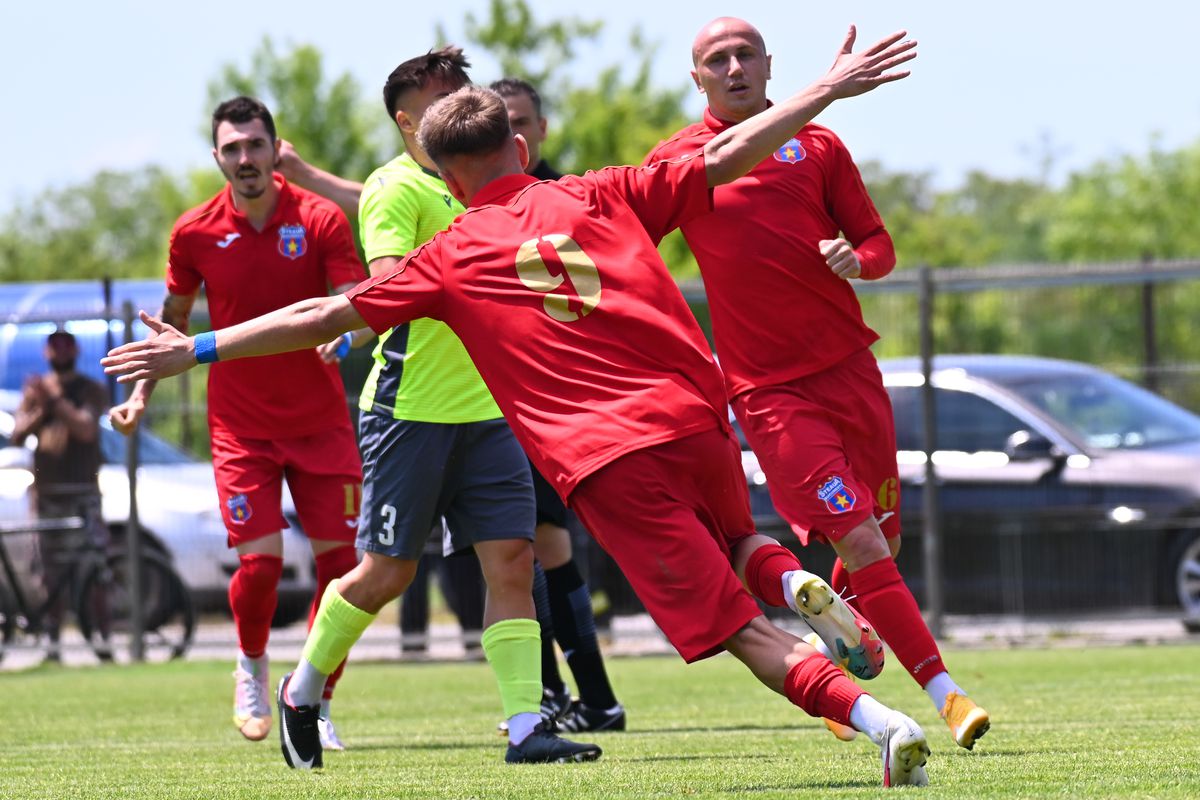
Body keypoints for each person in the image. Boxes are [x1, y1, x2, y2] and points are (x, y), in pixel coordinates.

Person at [104, 28, 933, 787]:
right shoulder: (601, 190)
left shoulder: (453, 252)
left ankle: (879, 721)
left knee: (730, 629)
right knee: (740, 539)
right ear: (524, 146)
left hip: (609, 458)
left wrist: (197, 348)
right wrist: (826, 88)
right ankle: (798, 590)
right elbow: (725, 158)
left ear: (448, 179)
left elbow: (324, 314)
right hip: (693, 420)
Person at [643, 17, 990, 751]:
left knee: (881, 542)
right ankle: (946, 694)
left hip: (851, 372)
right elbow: (627, 247)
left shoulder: (821, 145)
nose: (733, 66)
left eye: (745, 54)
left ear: (769, 65)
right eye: (717, 59)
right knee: (859, 537)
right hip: (770, 393)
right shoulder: (683, 161)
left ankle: (840, 640)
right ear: (697, 77)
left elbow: (880, 243)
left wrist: (856, 258)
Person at [277, 46, 602, 768]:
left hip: (489, 413)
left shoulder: (496, 185)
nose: (464, 101)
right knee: (385, 574)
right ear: (407, 121)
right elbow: (390, 291)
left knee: (514, 561)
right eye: (443, 95)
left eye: (466, 88)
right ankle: (301, 691)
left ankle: (526, 728)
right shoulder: (395, 191)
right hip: (409, 413)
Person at [108, 96, 365, 749]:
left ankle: (313, 699)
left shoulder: (320, 217)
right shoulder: (195, 232)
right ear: (217, 157)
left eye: (255, 145)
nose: (245, 158)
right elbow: (168, 331)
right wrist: (139, 395)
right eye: (232, 148)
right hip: (242, 426)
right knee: (262, 564)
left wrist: (348, 337)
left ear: (276, 149)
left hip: (320, 422)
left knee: (343, 568)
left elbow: (359, 303)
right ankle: (251, 669)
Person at [490, 76, 625, 732]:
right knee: (533, 547)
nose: (512, 133)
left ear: (539, 131)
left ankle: (577, 697)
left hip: (554, 405)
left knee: (534, 547)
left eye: (521, 121)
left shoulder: (564, 200)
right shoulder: (476, 204)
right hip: (503, 407)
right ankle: (588, 698)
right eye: (499, 121)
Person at [11, 330, 110, 663]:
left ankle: (103, 643)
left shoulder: (90, 389)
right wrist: (40, 405)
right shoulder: (36, 391)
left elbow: (85, 429)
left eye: (66, 344)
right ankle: (53, 647)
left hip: (84, 494)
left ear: (76, 349)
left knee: (94, 569)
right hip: (47, 495)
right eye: (54, 345)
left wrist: (53, 401)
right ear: (45, 351)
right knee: (47, 572)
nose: (60, 350)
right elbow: (17, 434)